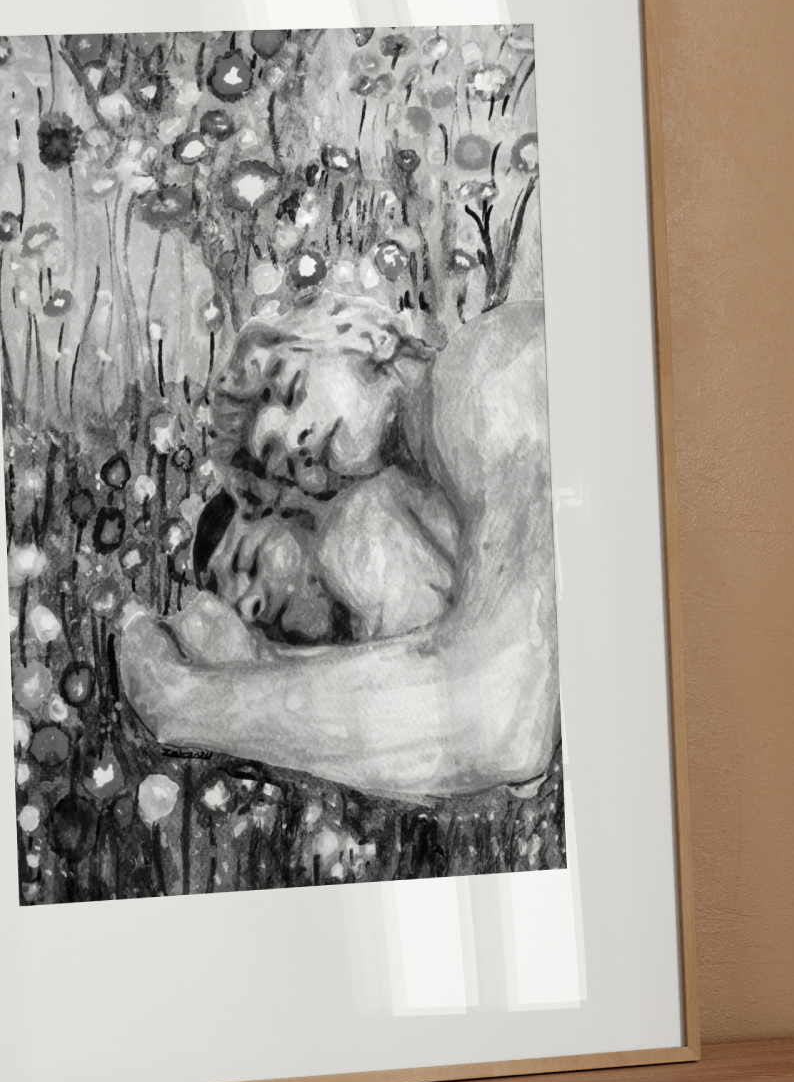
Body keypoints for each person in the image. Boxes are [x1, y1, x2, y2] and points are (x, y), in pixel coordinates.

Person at [119, 292, 558, 804]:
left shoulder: (481, 375)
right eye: (277, 462)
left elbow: (499, 718)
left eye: (285, 389)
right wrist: (258, 661)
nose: (285, 435)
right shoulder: (421, 501)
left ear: (365, 334)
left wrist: (183, 701)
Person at [192, 465, 460, 646]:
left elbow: (425, 664)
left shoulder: (356, 529)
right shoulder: (351, 619)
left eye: (251, 565)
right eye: (238, 614)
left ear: (283, 509)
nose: (252, 609)